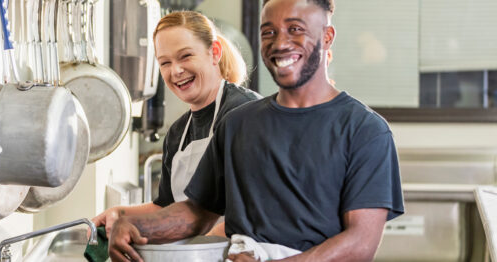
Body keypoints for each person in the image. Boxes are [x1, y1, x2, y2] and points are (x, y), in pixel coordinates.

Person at [108, 0, 405, 261]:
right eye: (269, 32)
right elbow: (198, 213)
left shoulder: (365, 131)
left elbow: (360, 244)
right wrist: (138, 226)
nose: (280, 43)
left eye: (295, 29)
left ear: (327, 37)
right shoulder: (238, 123)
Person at [91, 11, 261, 238]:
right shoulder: (178, 132)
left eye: (185, 56)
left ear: (215, 52)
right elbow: (166, 207)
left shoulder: (244, 113)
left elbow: (251, 211)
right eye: (165, 63)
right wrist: (120, 214)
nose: (176, 71)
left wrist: (193, 253)